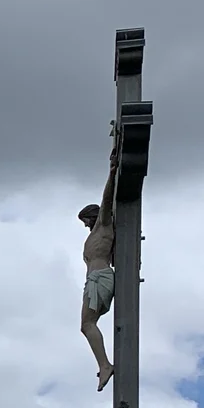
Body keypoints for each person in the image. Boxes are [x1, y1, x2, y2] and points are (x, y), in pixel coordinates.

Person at [80, 147, 119, 390]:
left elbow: (107, 200)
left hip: (100, 277)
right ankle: (104, 364)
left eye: (85, 220)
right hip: (93, 280)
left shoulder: (104, 225)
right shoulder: (95, 233)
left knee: (86, 324)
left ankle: (105, 365)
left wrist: (112, 172)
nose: (84, 225)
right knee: (86, 325)